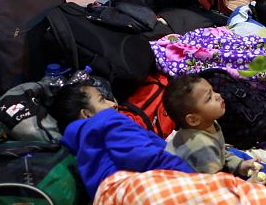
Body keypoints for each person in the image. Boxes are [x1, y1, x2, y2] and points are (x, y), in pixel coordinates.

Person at [162, 75, 266, 198]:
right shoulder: (201, 147)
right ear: (193, 119)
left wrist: (240, 165)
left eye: (213, 91)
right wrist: (248, 186)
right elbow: (216, 189)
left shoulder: (206, 125)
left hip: (211, 167)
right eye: (209, 98)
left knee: (240, 157)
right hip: (198, 188)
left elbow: (221, 152)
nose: (218, 96)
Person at [49, 83, 193, 198]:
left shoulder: (80, 148)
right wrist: (195, 179)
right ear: (86, 114)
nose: (112, 104)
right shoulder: (107, 120)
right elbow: (147, 157)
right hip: (141, 196)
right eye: (101, 100)